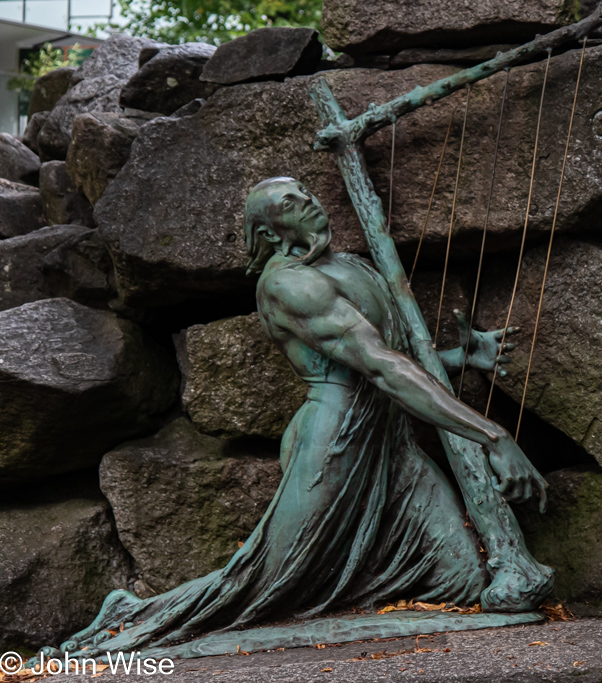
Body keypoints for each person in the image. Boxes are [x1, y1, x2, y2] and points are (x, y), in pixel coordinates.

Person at [40, 177, 549, 660]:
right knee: (266, 580)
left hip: (390, 445)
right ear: (267, 233)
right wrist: (492, 435)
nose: (306, 200)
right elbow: (376, 365)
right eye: (288, 202)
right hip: (335, 443)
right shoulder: (288, 286)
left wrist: (458, 359)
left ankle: (351, 597)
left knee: (462, 584)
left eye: (303, 191)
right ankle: (131, 613)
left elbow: (386, 355)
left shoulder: (353, 266)